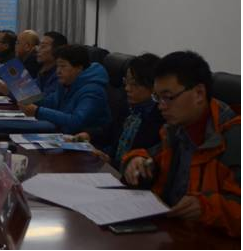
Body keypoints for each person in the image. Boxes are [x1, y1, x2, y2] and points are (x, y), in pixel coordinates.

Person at [122, 51, 240, 237]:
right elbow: (151, 156)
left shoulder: (234, 140)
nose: (161, 106)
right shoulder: (176, 131)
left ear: (199, 93)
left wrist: (206, 207)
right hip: (172, 232)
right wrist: (135, 160)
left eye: (168, 97)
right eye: (157, 97)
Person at [74, 53, 164, 170]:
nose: (127, 88)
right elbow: (109, 132)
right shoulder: (128, 107)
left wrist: (111, 162)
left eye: (134, 84)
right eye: (126, 82)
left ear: (153, 87)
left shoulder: (160, 118)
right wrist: (89, 135)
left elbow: (146, 164)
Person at [20, 44, 110, 134]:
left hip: (83, 140)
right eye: (57, 66)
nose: (58, 71)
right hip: (62, 134)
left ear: (79, 68)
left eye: (63, 66)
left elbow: (76, 122)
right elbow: (50, 102)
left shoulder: (93, 91)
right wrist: (28, 98)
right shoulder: (66, 84)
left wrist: (37, 111)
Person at [36, 31, 68, 97]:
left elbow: (45, 99)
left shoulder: (60, 74)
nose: (38, 50)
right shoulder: (43, 70)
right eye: (39, 45)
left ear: (57, 50)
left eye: (43, 46)